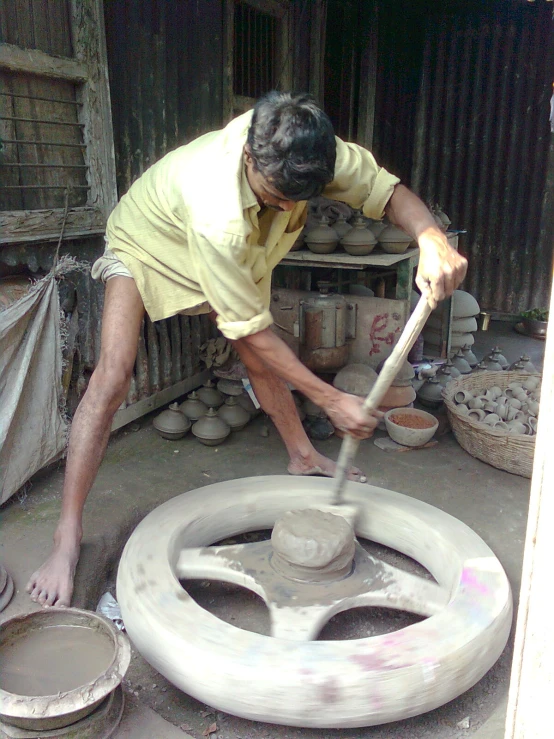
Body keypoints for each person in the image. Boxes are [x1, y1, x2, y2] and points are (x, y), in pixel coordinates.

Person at [26, 92, 467, 607]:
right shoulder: (218, 211)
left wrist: (432, 238)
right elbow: (249, 333)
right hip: (149, 242)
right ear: (248, 158)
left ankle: (302, 455)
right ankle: (65, 538)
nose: (286, 207)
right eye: (277, 196)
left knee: (263, 355)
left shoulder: (310, 149)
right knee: (113, 375)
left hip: (245, 248)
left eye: (296, 201)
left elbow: (388, 194)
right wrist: (330, 399)